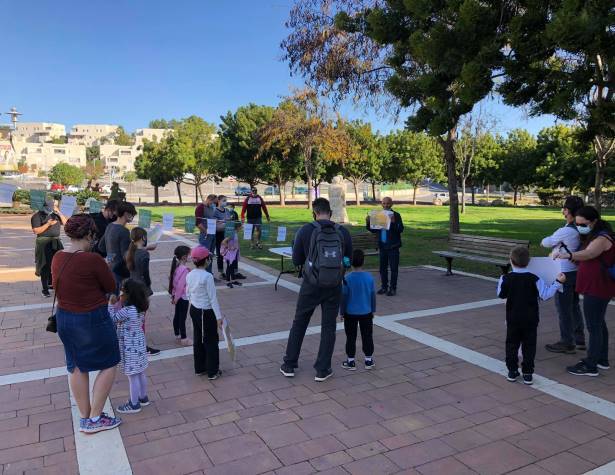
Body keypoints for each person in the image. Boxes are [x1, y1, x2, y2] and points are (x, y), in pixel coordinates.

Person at [51, 214, 121, 434]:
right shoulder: (93, 260)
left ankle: (85, 417)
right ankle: (96, 417)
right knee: (110, 361)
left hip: (65, 317)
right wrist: (105, 268)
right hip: (91, 318)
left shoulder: (58, 257)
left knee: (76, 365)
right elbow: (110, 285)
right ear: (89, 234)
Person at [280, 197, 353, 382]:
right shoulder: (343, 231)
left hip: (310, 284)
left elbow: (296, 260)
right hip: (334, 285)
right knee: (328, 327)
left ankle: (289, 364)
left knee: (300, 323)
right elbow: (348, 260)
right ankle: (323, 369)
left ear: (314, 213)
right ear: (331, 213)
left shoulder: (305, 230)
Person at [555, 206, 615, 377]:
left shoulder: (603, 238)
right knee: (598, 323)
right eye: (577, 224)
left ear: (594, 221)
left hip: (598, 286)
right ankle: (601, 359)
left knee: (594, 326)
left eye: (583, 224)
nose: (579, 227)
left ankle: (591, 365)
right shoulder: (594, 235)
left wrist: (568, 255)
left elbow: (589, 254)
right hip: (594, 285)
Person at [498, 246, 565, 385]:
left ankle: (512, 371)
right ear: (529, 262)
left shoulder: (505, 278)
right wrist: (558, 283)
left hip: (512, 318)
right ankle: (528, 373)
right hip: (531, 318)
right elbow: (545, 295)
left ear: (511, 261)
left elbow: (501, 295)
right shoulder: (535, 279)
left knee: (511, 344)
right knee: (529, 345)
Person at [540, 196, 586, 353]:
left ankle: (567, 342)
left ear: (567, 211)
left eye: (564, 208)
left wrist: (554, 241)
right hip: (576, 271)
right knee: (574, 306)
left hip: (563, 272)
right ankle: (579, 339)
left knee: (563, 309)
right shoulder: (581, 228)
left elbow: (546, 242)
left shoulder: (565, 231)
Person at [108, 279, 150, 414]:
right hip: (139, 344)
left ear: (128, 295)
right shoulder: (140, 308)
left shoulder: (127, 310)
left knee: (132, 376)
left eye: (122, 291)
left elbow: (112, 318)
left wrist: (111, 305)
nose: (120, 294)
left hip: (130, 347)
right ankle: (143, 397)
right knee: (140, 372)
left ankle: (134, 404)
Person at [186, 246, 223, 380]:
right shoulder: (208, 276)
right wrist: (219, 317)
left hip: (194, 310)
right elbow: (213, 299)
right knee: (211, 340)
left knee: (198, 339)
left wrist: (193, 304)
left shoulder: (190, 274)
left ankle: (200, 368)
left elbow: (188, 293)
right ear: (206, 260)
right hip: (206, 312)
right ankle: (212, 371)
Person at [340, 249, 376, 371]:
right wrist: (373, 309)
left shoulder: (347, 278)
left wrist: (342, 312)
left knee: (350, 337)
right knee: (367, 336)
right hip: (366, 312)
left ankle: (350, 361)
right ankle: (368, 360)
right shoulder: (369, 278)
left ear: (350, 262)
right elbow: (372, 295)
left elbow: (344, 297)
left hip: (350, 313)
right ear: (363, 262)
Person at [366, 197, 404, 296]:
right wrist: (368, 221)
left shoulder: (396, 215)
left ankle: (393, 288)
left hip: (393, 246)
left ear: (392, 204)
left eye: (388, 203)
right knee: (382, 268)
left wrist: (394, 222)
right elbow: (373, 229)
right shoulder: (379, 215)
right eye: (384, 203)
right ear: (381, 204)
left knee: (393, 268)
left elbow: (400, 229)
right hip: (382, 246)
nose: (386, 205)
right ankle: (384, 287)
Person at [32, 196, 67, 297]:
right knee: (45, 265)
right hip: (44, 242)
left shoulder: (55, 215)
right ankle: (45, 289)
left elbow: (66, 223)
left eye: (52, 206)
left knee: (57, 264)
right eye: (48, 206)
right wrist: (48, 224)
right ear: (43, 206)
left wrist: (59, 212)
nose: (50, 208)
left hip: (56, 242)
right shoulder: (37, 216)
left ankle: (51, 284)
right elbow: (36, 231)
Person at [98, 201, 136, 294]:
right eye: (132, 214)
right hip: (120, 272)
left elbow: (101, 247)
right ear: (126, 214)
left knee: (111, 298)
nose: (133, 217)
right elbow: (126, 256)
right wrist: (140, 247)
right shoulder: (124, 231)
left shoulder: (109, 226)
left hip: (109, 269)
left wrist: (111, 255)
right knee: (119, 298)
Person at [169, 245, 192, 346]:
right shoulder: (185, 270)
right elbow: (180, 286)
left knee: (177, 315)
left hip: (177, 296)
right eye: (189, 254)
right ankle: (184, 338)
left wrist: (174, 297)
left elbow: (174, 283)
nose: (191, 256)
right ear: (184, 257)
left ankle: (177, 334)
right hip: (182, 297)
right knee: (182, 318)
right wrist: (176, 298)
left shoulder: (177, 267)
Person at [126, 227, 152, 296]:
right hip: (141, 286)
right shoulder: (144, 254)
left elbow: (117, 267)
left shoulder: (129, 252)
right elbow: (145, 271)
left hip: (132, 284)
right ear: (143, 238)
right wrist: (148, 283)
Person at [195, 194, 218, 272]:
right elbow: (198, 223)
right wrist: (206, 231)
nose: (214, 204)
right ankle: (203, 274)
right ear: (209, 199)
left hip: (213, 234)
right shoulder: (200, 208)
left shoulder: (211, 208)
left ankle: (209, 274)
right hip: (205, 236)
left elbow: (211, 219)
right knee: (204, 256)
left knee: (210, 256)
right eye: (214, 202)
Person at [214, 195, 232, 279]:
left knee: (229, 252)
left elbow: (230, 221)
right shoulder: (215, 211)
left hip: (227, 234)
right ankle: (221, 272)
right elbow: (215, 224)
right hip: (219, 235)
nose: (225, 202)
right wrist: (224, 223)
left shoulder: (227, 210)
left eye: (226, 200)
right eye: (224, 200)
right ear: (218, 201)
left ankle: (230, 271)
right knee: (220, 254)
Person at [220, 222, 243, 288]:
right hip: (230, 254)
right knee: (229, 267)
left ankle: (233, 280)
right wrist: (230, 247)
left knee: (233, 267)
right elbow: (223, 242)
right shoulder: (232, 233)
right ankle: (228, 282)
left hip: (234, 253)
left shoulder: (235, 233)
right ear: (238, 227)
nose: (241, 228)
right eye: (241, 227)